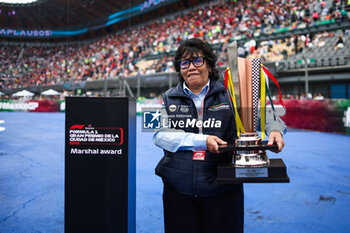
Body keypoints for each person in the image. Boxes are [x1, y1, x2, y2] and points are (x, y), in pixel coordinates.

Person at [153, 38, 286, 233]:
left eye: (197, 60)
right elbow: (159, 135)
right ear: (179, 68)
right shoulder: (166, 98)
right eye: (184, 62)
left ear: (209, 65)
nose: (191, 67)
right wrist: (202, 141)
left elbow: (266, 113)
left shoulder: (231, 94)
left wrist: (275, 129)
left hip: (223, 189)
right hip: (177, 192)